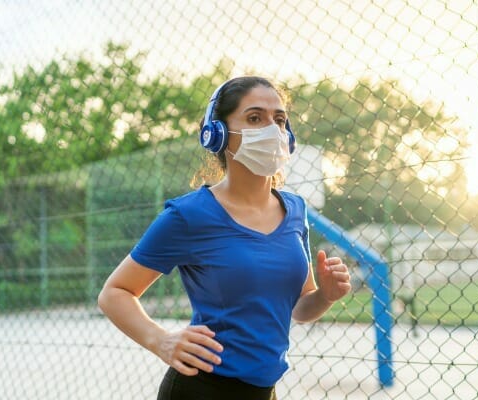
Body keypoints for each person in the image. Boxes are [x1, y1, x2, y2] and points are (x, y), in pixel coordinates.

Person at [97, 76, 352, 400]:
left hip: (265, 392)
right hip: (201, 389)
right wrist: (160, 340)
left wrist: (326, 296)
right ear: (217, 133)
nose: (272, 130)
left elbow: (300, 309)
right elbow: (114, 292)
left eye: (280, 119)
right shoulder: (189, 215)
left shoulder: (295, 210)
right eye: (255, 118)